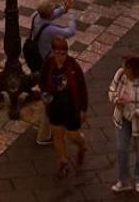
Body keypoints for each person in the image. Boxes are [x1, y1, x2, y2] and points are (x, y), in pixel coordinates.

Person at [26, 0, 78, 145]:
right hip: (47, 66)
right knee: (51, 98)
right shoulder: (50, 30)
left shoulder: (36, 17)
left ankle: (45, 121)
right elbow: (69, 31)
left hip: (37, 62)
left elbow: (50, 15)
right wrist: (72, 15)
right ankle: (43, 135)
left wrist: (64, 9)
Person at [40, 36, 88, 178]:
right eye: (58, 53)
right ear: (53, 52)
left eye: (63, 53)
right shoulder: (48, 65)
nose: (61, 57)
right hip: (55, 108)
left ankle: (82, 145)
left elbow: (82, 87)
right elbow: (42, 83)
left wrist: (83, 109)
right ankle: (63, 161)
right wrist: (45, 97)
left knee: (73, 136)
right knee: (57, 135)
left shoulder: (73, 66)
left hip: (71, 108)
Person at [108, 53, 139, 194]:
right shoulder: (120, 75)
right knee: (122, 149)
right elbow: (111, 90)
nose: (123, 70)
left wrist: (135, 112)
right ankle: (123, 180)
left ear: (133, 69)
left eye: (126, 67)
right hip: (123, 119)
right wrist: (116, 99)